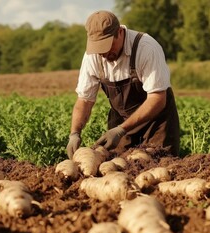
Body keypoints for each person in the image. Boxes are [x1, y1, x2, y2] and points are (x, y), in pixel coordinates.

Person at [66, 10, 180, 159]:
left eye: (107, 46)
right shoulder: (92, 56)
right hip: (122, 121)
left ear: (119, 32)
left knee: (158, 167)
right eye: (98, 49)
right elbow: (85, 100)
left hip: (156, 124)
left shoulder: (146, 48)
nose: (104, 54)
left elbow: (157, 99)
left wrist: (120, 130)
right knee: (119, 169)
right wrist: (75, 133)